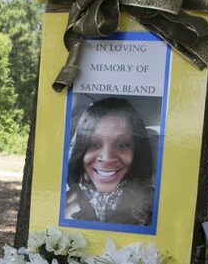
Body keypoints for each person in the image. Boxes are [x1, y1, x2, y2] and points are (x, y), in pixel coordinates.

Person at [65, 97, 155, 226]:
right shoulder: (62, 202)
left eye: (122, 145)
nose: (107, 158)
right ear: (81, 149)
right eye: (94, 144)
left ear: (137, 151)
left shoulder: (154, 203)